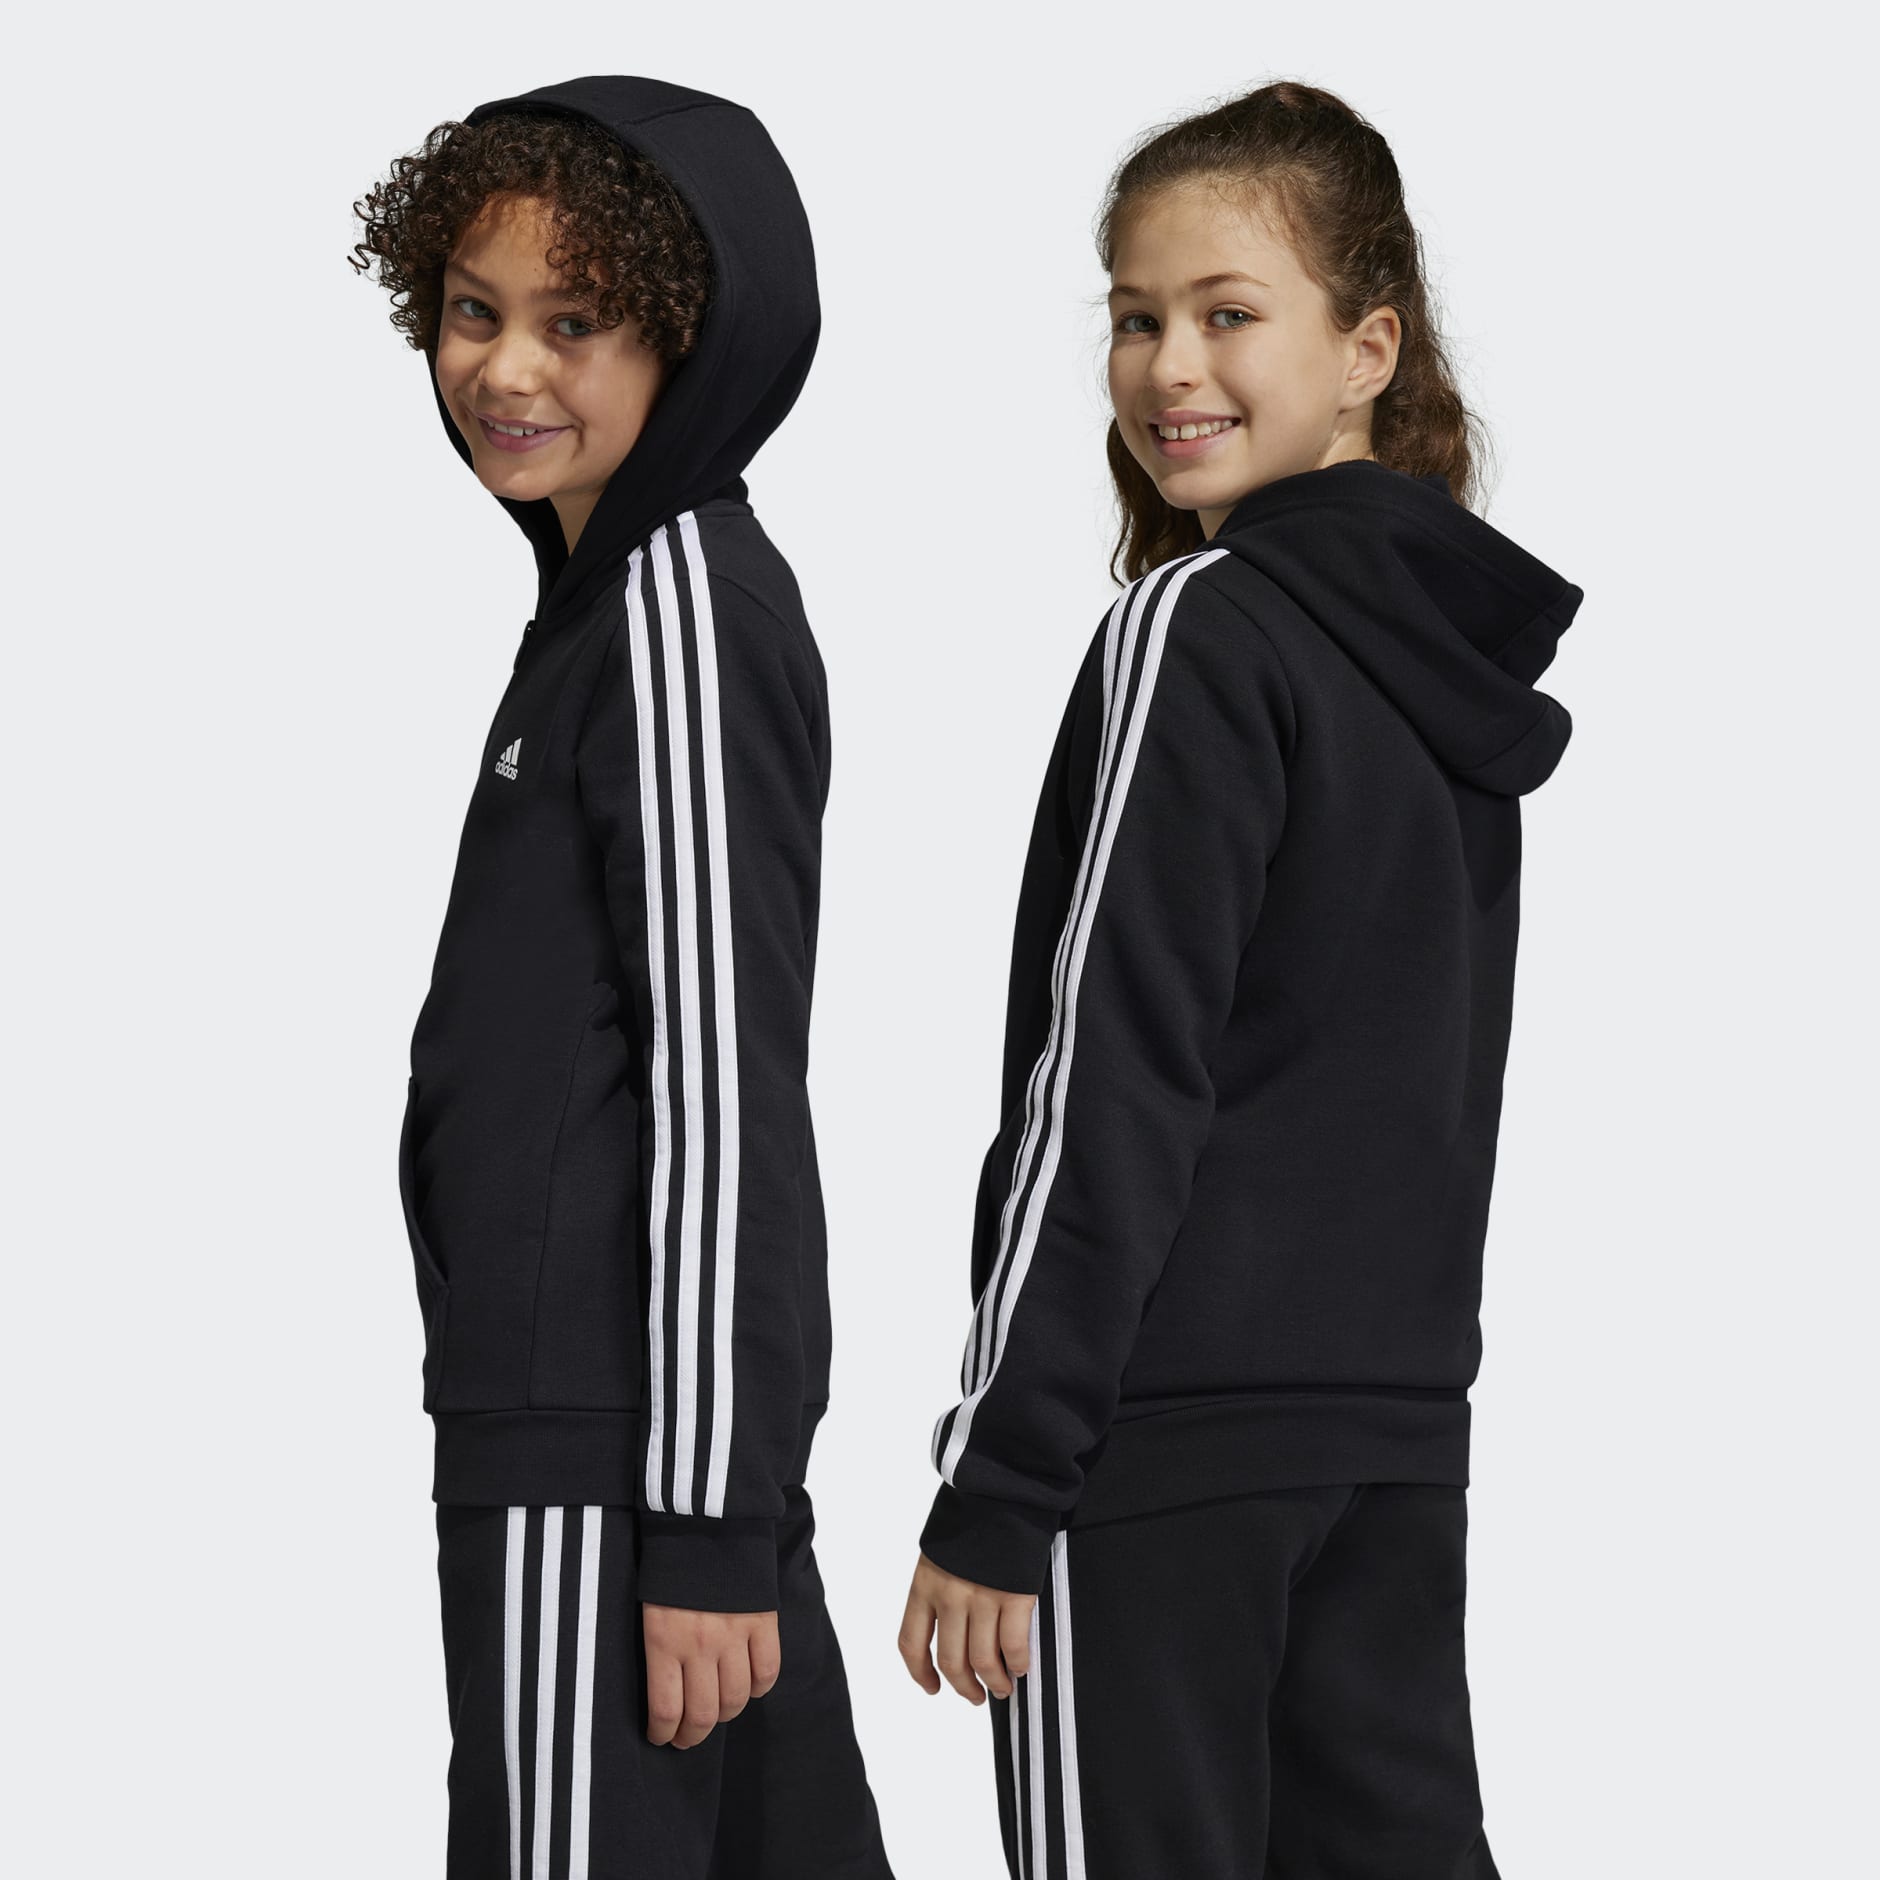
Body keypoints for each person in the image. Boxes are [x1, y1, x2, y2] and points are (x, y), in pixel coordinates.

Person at [897, 80, 1583, 1879]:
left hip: (1156, 1450)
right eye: (1136, 319)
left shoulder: (1199, 629)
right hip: (1390, 1433)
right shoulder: (1440, 668)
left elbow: (1110, 1077)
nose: (1169, 367)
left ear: (1368, 350)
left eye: (1227, 312)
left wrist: (1003, 1475)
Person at [352, 75, 892, 1880]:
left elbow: (720, 1084)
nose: (505, 370)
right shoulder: (608, 608)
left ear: (692, 338)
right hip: (637, 1446)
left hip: (612, 1458)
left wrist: (710, 1519)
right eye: (473, 311)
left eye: (574, 323)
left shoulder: (671, 608)